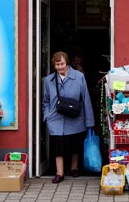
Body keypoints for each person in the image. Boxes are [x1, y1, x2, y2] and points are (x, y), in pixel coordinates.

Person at [42, 51, 95, 183]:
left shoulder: (79, 77)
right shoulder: (49, 80)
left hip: (75, 117)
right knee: (58, 145)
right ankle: (59, 173)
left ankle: (74, 167)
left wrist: (89, 121)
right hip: (55, 118)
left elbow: (86, 99)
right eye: (57, 64)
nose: (60, 67)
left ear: (67, 63)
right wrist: (47, 116)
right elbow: (46, 101)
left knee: (75, 143)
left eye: (62, 64)